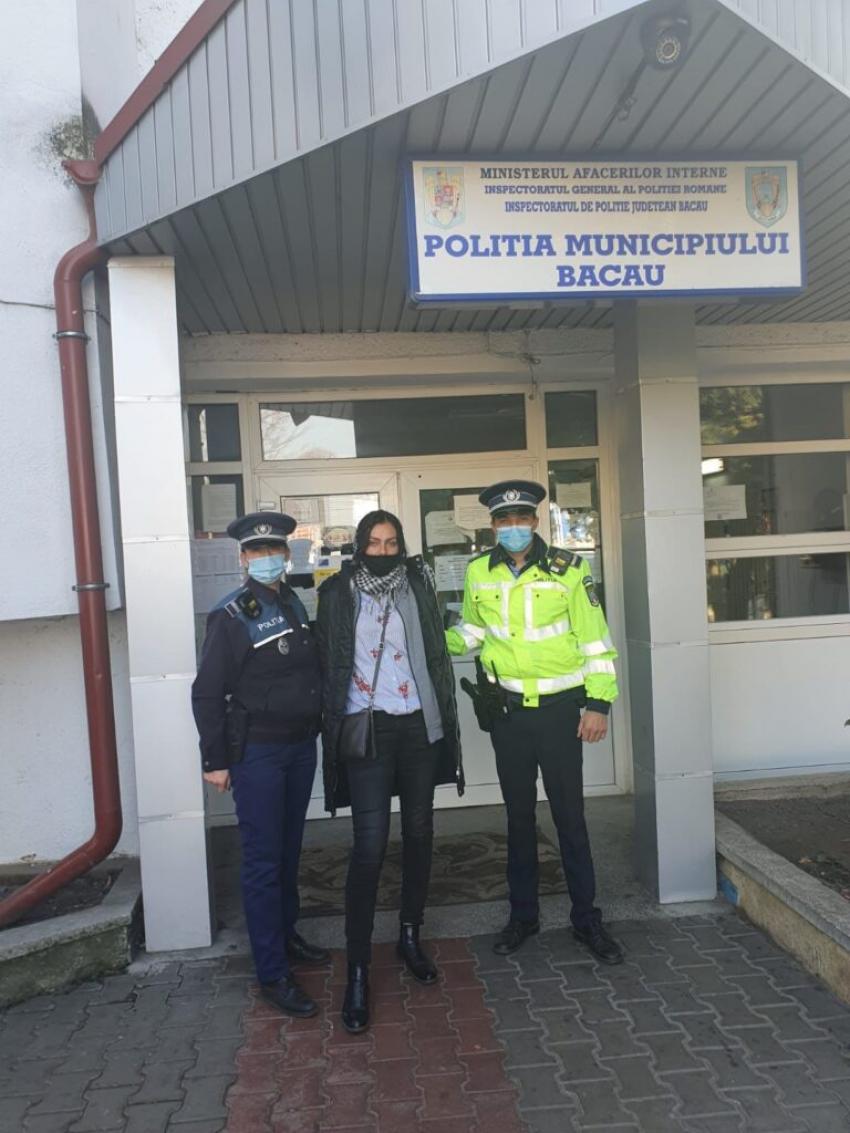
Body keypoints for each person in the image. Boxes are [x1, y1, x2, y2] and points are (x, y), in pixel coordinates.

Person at [446, 481, 624, 964]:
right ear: (492, 526)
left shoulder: (570, 569)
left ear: (535, 521)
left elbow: (595, 641)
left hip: (560, 713)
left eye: (521, 518)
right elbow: (473, 631)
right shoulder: (479, 571)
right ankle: (522, 916)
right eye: (504, 521)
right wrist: (435, 638)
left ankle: (586, 919)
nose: (513, 527)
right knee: (518, 818)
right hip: (508, 715)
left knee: (570, 818)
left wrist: (599, 704)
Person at [316, 510, 464, 1033]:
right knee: (369, 845)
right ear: (360, 546)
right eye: (374, 543)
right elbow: (327, 662)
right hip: (369, 729)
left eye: (391, 542)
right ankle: (357, 968)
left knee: (420, 832)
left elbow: (437, 654)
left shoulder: (418, 586)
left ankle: (409, 934)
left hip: (417, 726)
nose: (383, 551)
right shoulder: (336, 593)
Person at [192, 511, 330, 1016]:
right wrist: (215, 760)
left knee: (288, 851)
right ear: (243, 558)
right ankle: (272, 972)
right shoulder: (231, 615)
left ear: (287, 555)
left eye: (275, 549)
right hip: (259, 754)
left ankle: (286, 935)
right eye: (257, 551)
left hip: (299, 747)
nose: (268, 557)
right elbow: (207, 692)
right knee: (263, 861)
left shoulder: (292, 600)